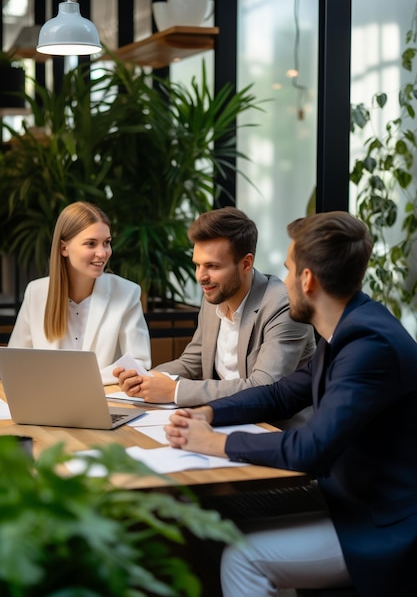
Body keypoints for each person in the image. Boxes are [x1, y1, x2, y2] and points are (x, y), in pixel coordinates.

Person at [164, 211, 417, 597]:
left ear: (307, 279)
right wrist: (210, 413)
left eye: (287, 269)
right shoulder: (349, 330)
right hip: (348, 498)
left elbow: (312, 447)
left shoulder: (370, 345)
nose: (281, 282)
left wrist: (215, 443)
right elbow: (281, 393)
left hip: (380, 522)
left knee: (242, 556)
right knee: (204, 512)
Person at [113, 207, 316, 407]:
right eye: (197, 265)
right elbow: (190, 363)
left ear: (246, 263)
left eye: (212, 266)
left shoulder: (282, 305)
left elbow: (263, 388)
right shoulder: (215, 296)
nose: (201, 277)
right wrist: (144, 379)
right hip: (222, 419)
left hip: (274, 429)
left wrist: (173, 391)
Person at [8, 201, 151, 384]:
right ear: (63, 248)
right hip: (47, 399)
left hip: (102, 398)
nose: (102, 253)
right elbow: (17, 360)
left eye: (106, 243)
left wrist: (82, 380)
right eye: (91, 244)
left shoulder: (126, 293)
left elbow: (139, 362)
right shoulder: (36, 292)